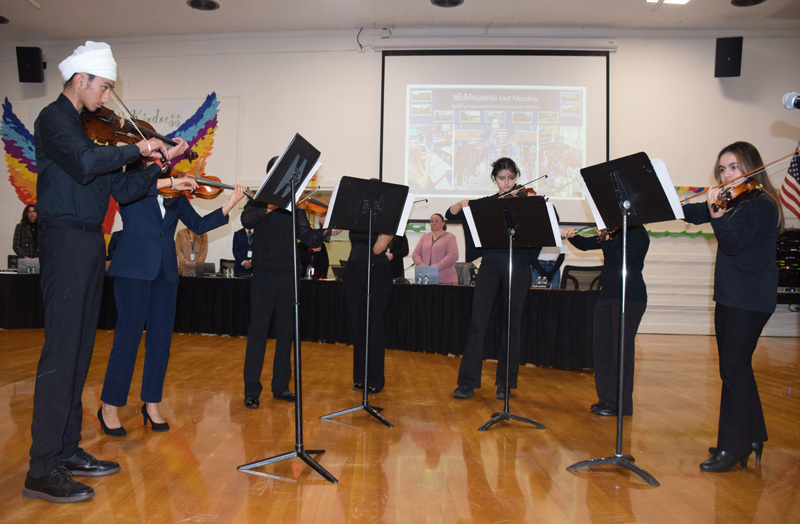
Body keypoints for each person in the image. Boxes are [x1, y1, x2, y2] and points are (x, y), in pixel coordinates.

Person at [24, 40, 174, 503]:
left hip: (91, 241)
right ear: (80, 79)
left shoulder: (96, 132)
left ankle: (67, 451)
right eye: (104, 87)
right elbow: (88, 165)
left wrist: (155, 167)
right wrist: (140, 147)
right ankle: (42, 467)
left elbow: (125, 192)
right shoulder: (54, 121)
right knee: (61, 353)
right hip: (65, 238)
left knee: (80, 349)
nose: (107, 97)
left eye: (110, 89)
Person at [97, 146, 245, 436]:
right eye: (157, 157)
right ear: (143, 160)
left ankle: (151, 404)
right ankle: (109, 406)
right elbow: (129, 192)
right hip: (133, 270)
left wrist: (229, 206)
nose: (164, 162)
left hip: (165, 273)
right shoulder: (133, 184)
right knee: (126, 341)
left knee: (160, 344)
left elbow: (199, 224)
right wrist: (169, 181)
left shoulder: (174, 195)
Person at [682, 141, 783, 473]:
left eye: (734, 167)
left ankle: (731, 448)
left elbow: (733, 243)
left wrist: (717, 215)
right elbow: (696, 213)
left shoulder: (762, 204)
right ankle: (752, 435)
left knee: (733, 370)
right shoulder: (735, 201)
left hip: (750, 300)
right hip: (730, 297)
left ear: (752, 167)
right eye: (722, 170)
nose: (726, 175)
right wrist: (662, 204)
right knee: (739, 367)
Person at [446, 157, 539, 399]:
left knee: (512, 326)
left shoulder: (527, 201)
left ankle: (505, 383)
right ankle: (467, 382)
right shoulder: (487, 204)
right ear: (494, 179)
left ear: (515, 177)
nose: (507, 183)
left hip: (517, 266)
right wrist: (459, 204)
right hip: (490, 266)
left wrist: (533, 204)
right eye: (501, 178)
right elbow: (451, 214)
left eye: (510, 178)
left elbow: (547, 220)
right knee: (477, 323)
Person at [242, 156, 329, 408]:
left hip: (291, 275)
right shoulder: (258, 199)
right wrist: (271, 205)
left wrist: (325, 228)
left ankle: (280, 386)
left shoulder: (297, 206)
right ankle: (251, 390)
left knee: (286, 334)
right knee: (258, 332)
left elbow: (309, 239)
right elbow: (246, 221)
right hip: (264, 275)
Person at [561, 224, 649, 417]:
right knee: (602, 348)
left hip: (630, 296)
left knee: (620, 350)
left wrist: (607, 241)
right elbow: (585, 245)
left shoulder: (637, 233)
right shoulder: (613, 233)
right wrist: (572, 236)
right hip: (608, 295)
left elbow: (625, 261)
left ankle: (621, 404)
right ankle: (605, 400)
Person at [344, 229, 394, 393]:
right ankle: (359, 378)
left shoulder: (386, 217)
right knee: (357, 326)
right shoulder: (356, 216)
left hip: (377, 272)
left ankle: (375, 379)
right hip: (353, 270)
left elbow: (377, 249)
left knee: (373, 325)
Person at [411, 213, 459, 285]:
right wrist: (423, 266)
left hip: (445, 279)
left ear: (443, 223)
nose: (433, 223)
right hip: (426, 279)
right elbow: (416, 254)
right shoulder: (425, 237)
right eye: (431, 221)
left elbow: (453, 255)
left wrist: (436, 267)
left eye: (436, 221)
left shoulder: (450, 237)